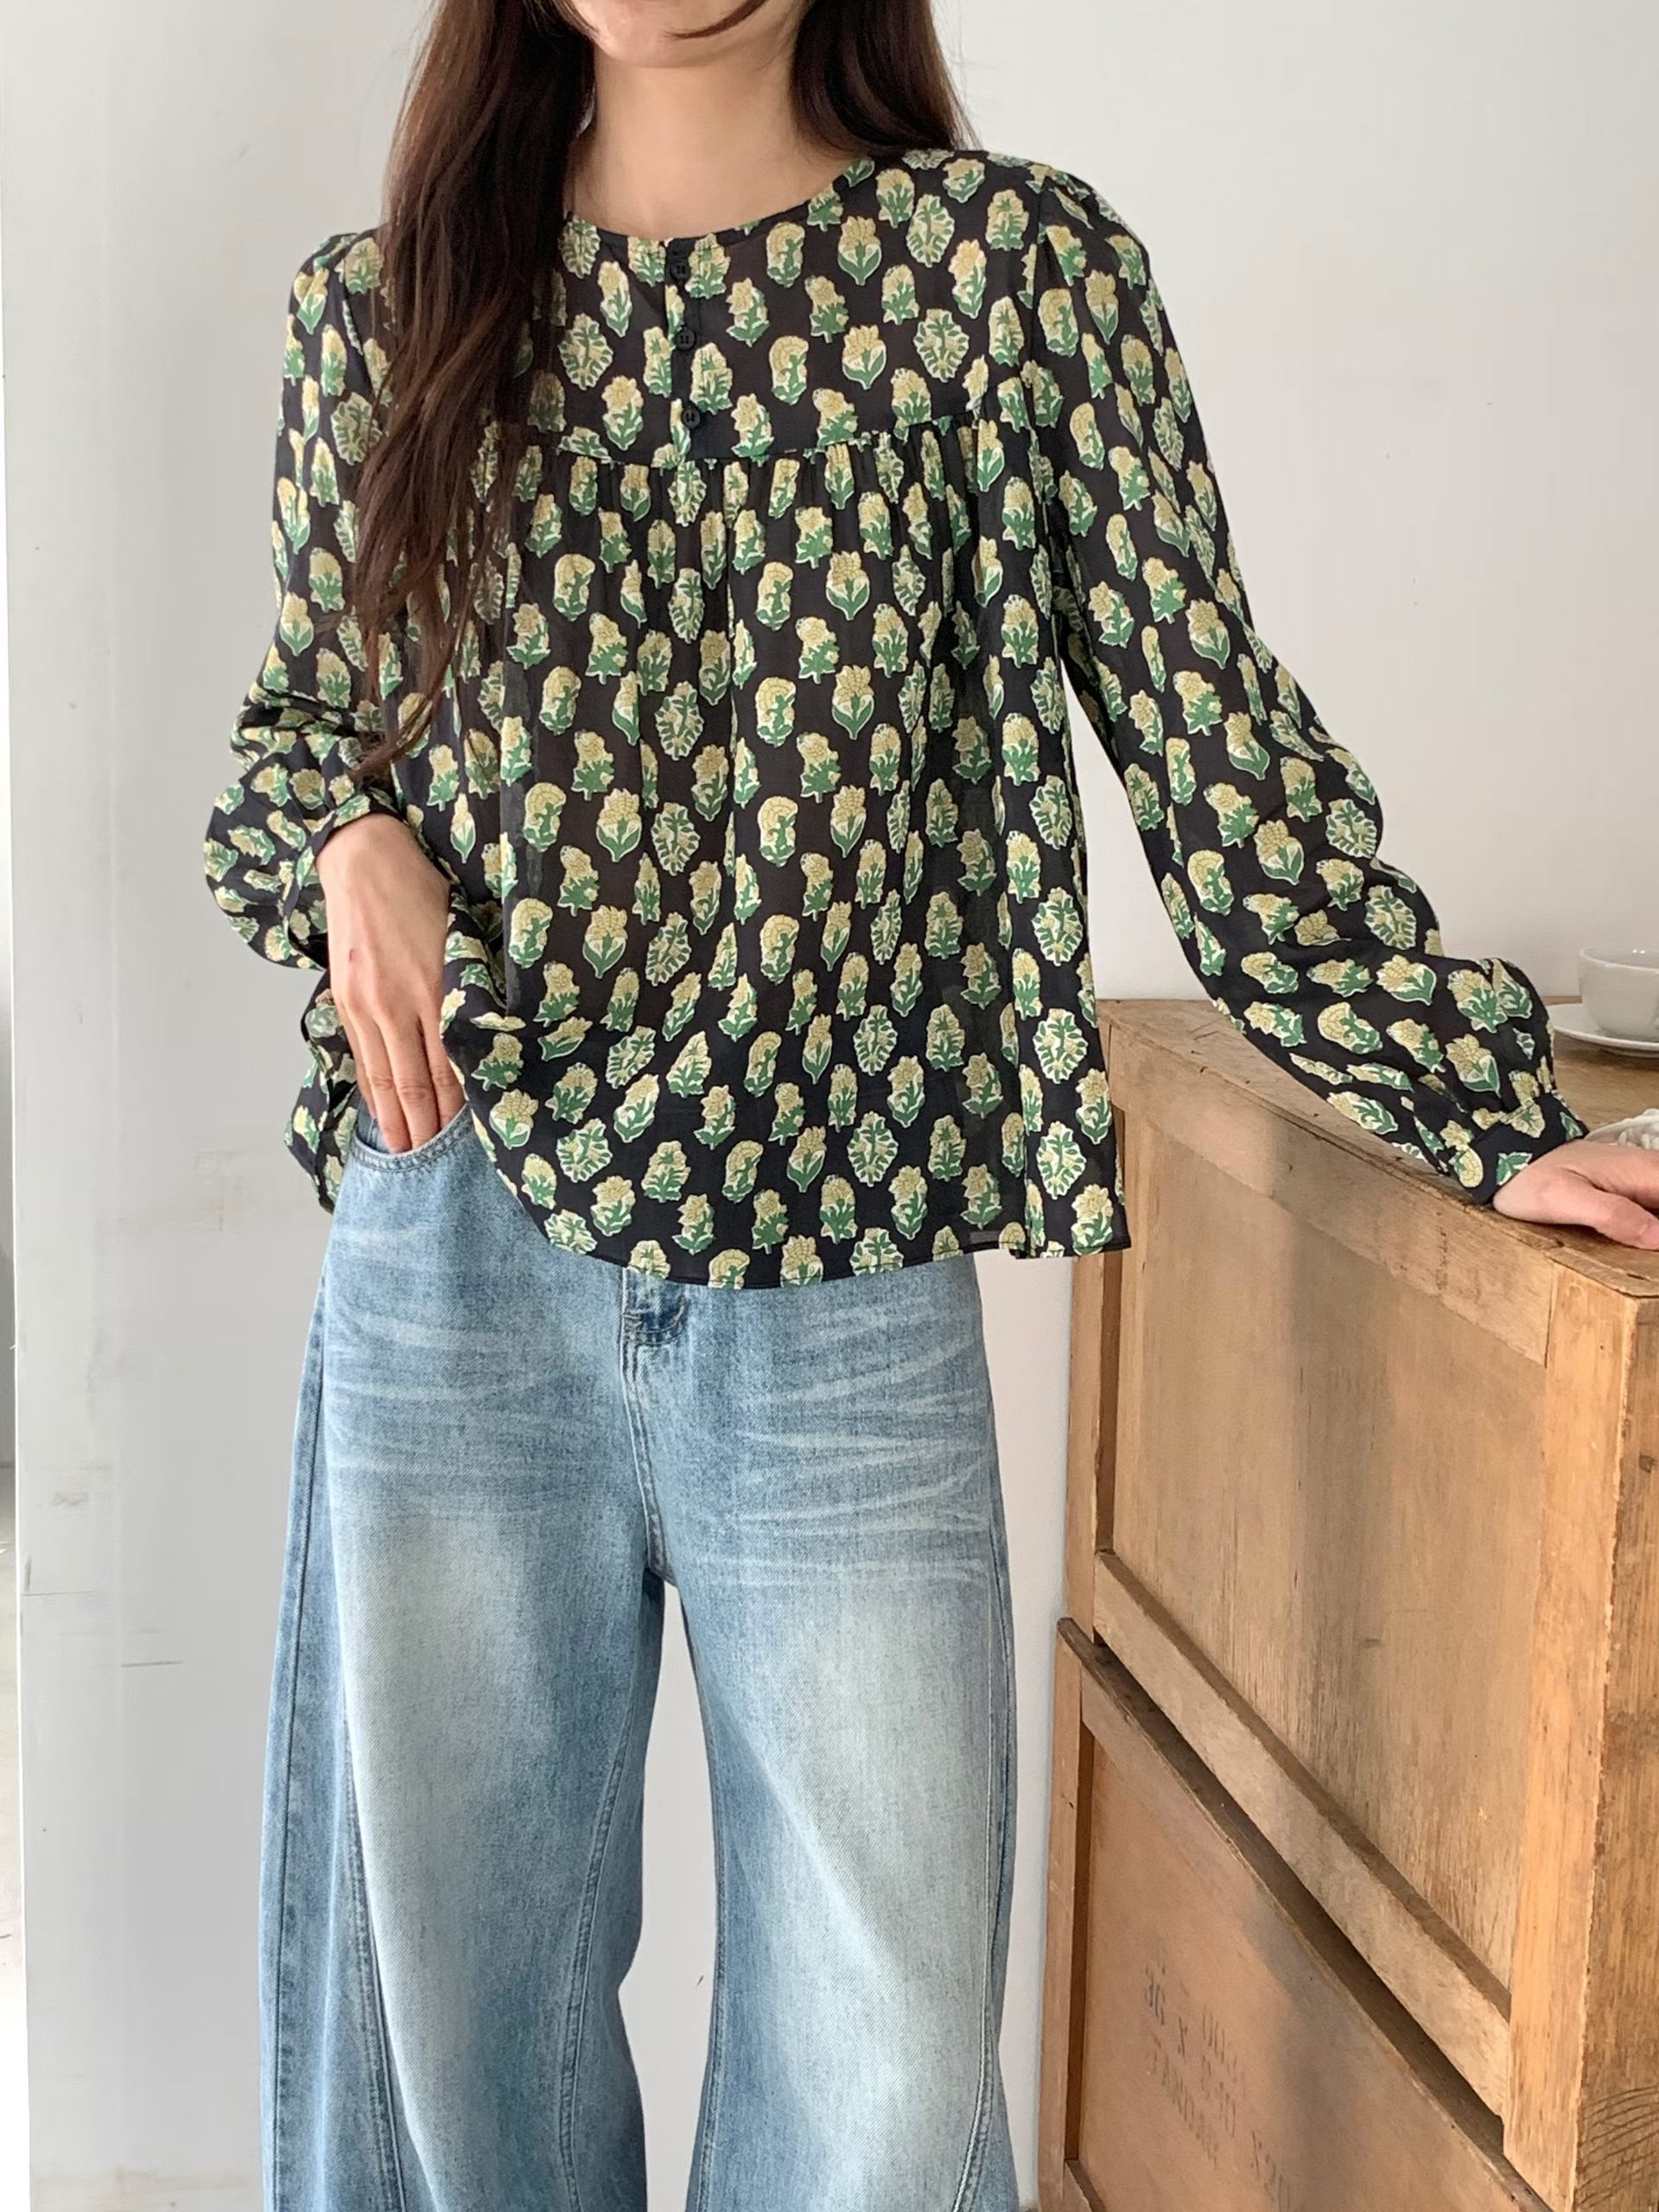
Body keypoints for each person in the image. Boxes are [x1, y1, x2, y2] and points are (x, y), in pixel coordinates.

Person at [200, 2, 1659, 2206]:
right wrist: (346, 840)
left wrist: (1480, 1100)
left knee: (881, 2078)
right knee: (449, 2052)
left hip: (842, 1254)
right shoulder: (389, 309)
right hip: (459, 1243)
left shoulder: (1015, 281)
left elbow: (1217, 749)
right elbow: (291, 744)